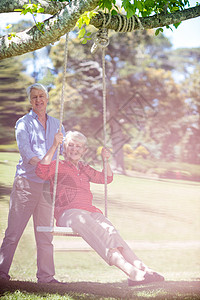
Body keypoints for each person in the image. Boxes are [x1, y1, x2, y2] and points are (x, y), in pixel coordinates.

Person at [36, 131, 164, 286]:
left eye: (79, 146)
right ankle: (132, 274)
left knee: (111, 232)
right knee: (98, 232)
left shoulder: (84, 168)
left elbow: (107, 178)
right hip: (70, 214)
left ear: (84, 150)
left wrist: (106, 161)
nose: (74, 149)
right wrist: (54, 144)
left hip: (91, 212)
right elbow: (41, 171)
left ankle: (143, 268)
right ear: (64, 148)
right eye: (71, 145)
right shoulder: (58, 165)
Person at [0, 83, 65, 284]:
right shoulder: (23, 123)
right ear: (31, 101)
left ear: (47, 99)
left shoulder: (58, 125)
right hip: (26, 184)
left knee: (45, 234)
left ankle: (46, 277)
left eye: (42, 96)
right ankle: (1, 273)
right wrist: (44, 165)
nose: (38, 100)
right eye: (34, 97)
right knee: (13, 232)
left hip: (47, 188)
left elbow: (62, 155)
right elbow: (27, 153)